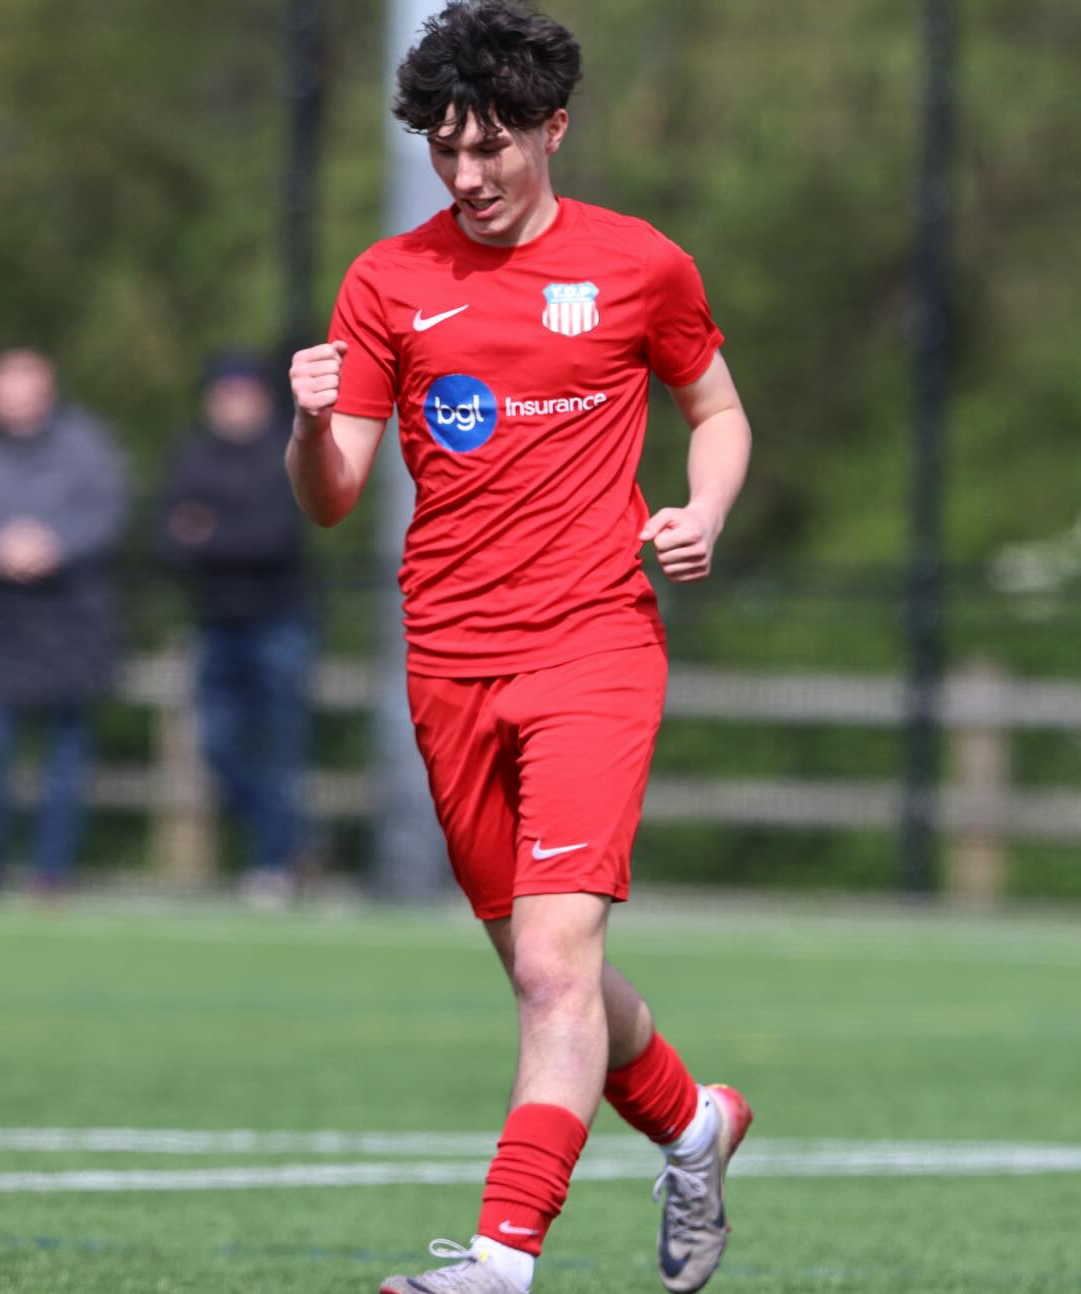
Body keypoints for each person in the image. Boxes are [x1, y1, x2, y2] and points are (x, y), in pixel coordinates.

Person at [288, 4, 755, 1290]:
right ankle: (696, 1125)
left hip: (595, 645)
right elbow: (332, 496)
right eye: (444, 149)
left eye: (491, 144)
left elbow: (717, 408)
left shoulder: (639, 265)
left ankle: (498, 1261)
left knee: (554, 967)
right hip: (446, 659)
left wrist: (703, 511)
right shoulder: (387, 280)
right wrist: (307, 425)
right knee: (552, 970)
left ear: (555, 128)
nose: (468, 173)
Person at [0, 347, 128, 895]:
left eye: (28, 389)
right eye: (6, 390)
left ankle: (53, 874)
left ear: (48, 392)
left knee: (67, 754)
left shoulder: (87, 444)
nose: (18, 401)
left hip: (74, 621)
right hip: (1, 627)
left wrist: (55, 546)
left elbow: (110, 516)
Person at [157, 350, 318, 904]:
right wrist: (217, 535)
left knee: (281, 749)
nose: (232, 407)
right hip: (216, 621)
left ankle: (277, 860)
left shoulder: (287, 450)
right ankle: (292, 840)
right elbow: (166, 537)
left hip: (279, 621)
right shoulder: (191, 454)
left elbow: (275, 537)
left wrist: (209, 532)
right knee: (217, 748)